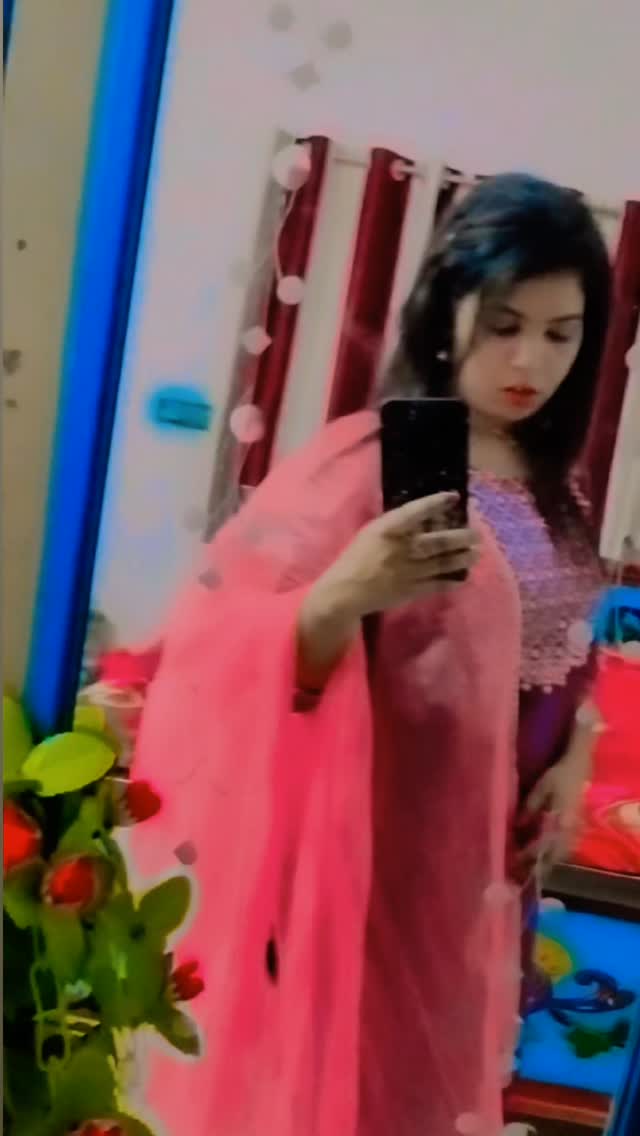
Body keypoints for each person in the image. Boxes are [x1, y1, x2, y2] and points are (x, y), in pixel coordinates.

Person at [128, 173, 611, 1136]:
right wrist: (341, 595)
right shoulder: (361, 465)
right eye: (504, 325)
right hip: (378, 852)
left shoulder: (562, 488)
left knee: (444, 1090)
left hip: (490, 874)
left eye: (562, 334)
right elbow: (219, 645)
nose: (531, 360)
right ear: (445, 312)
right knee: (360, 1091)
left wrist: (578, 757)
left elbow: (569, 653)